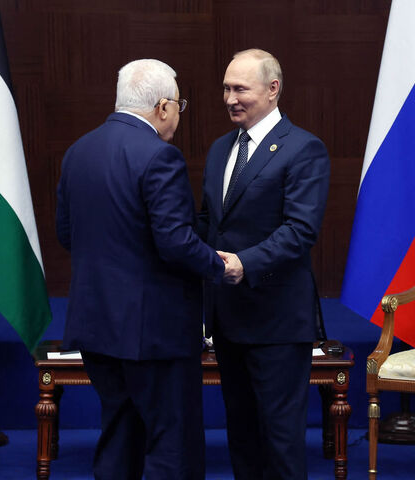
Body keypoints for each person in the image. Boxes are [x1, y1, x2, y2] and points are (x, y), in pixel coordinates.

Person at [56, 59, 225, 480]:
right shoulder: (160, 157)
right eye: (180, 106)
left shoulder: (78, 151)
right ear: (164, 107)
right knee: (172, 445)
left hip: (96, 329)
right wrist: (221, 266)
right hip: (155, 335)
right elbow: (175, 242)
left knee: (119, 435)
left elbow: (66, 234)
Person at [199, 48, 330, 480]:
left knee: (280, 438)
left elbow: (300, 230)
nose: (230, 98)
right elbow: (209, 223)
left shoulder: (304, 149)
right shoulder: (220, 149)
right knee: (243, 434)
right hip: (228, 319)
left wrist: (244, 263)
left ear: (273, 90)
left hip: (277, 322)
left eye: (240, 89)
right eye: (225, 88)